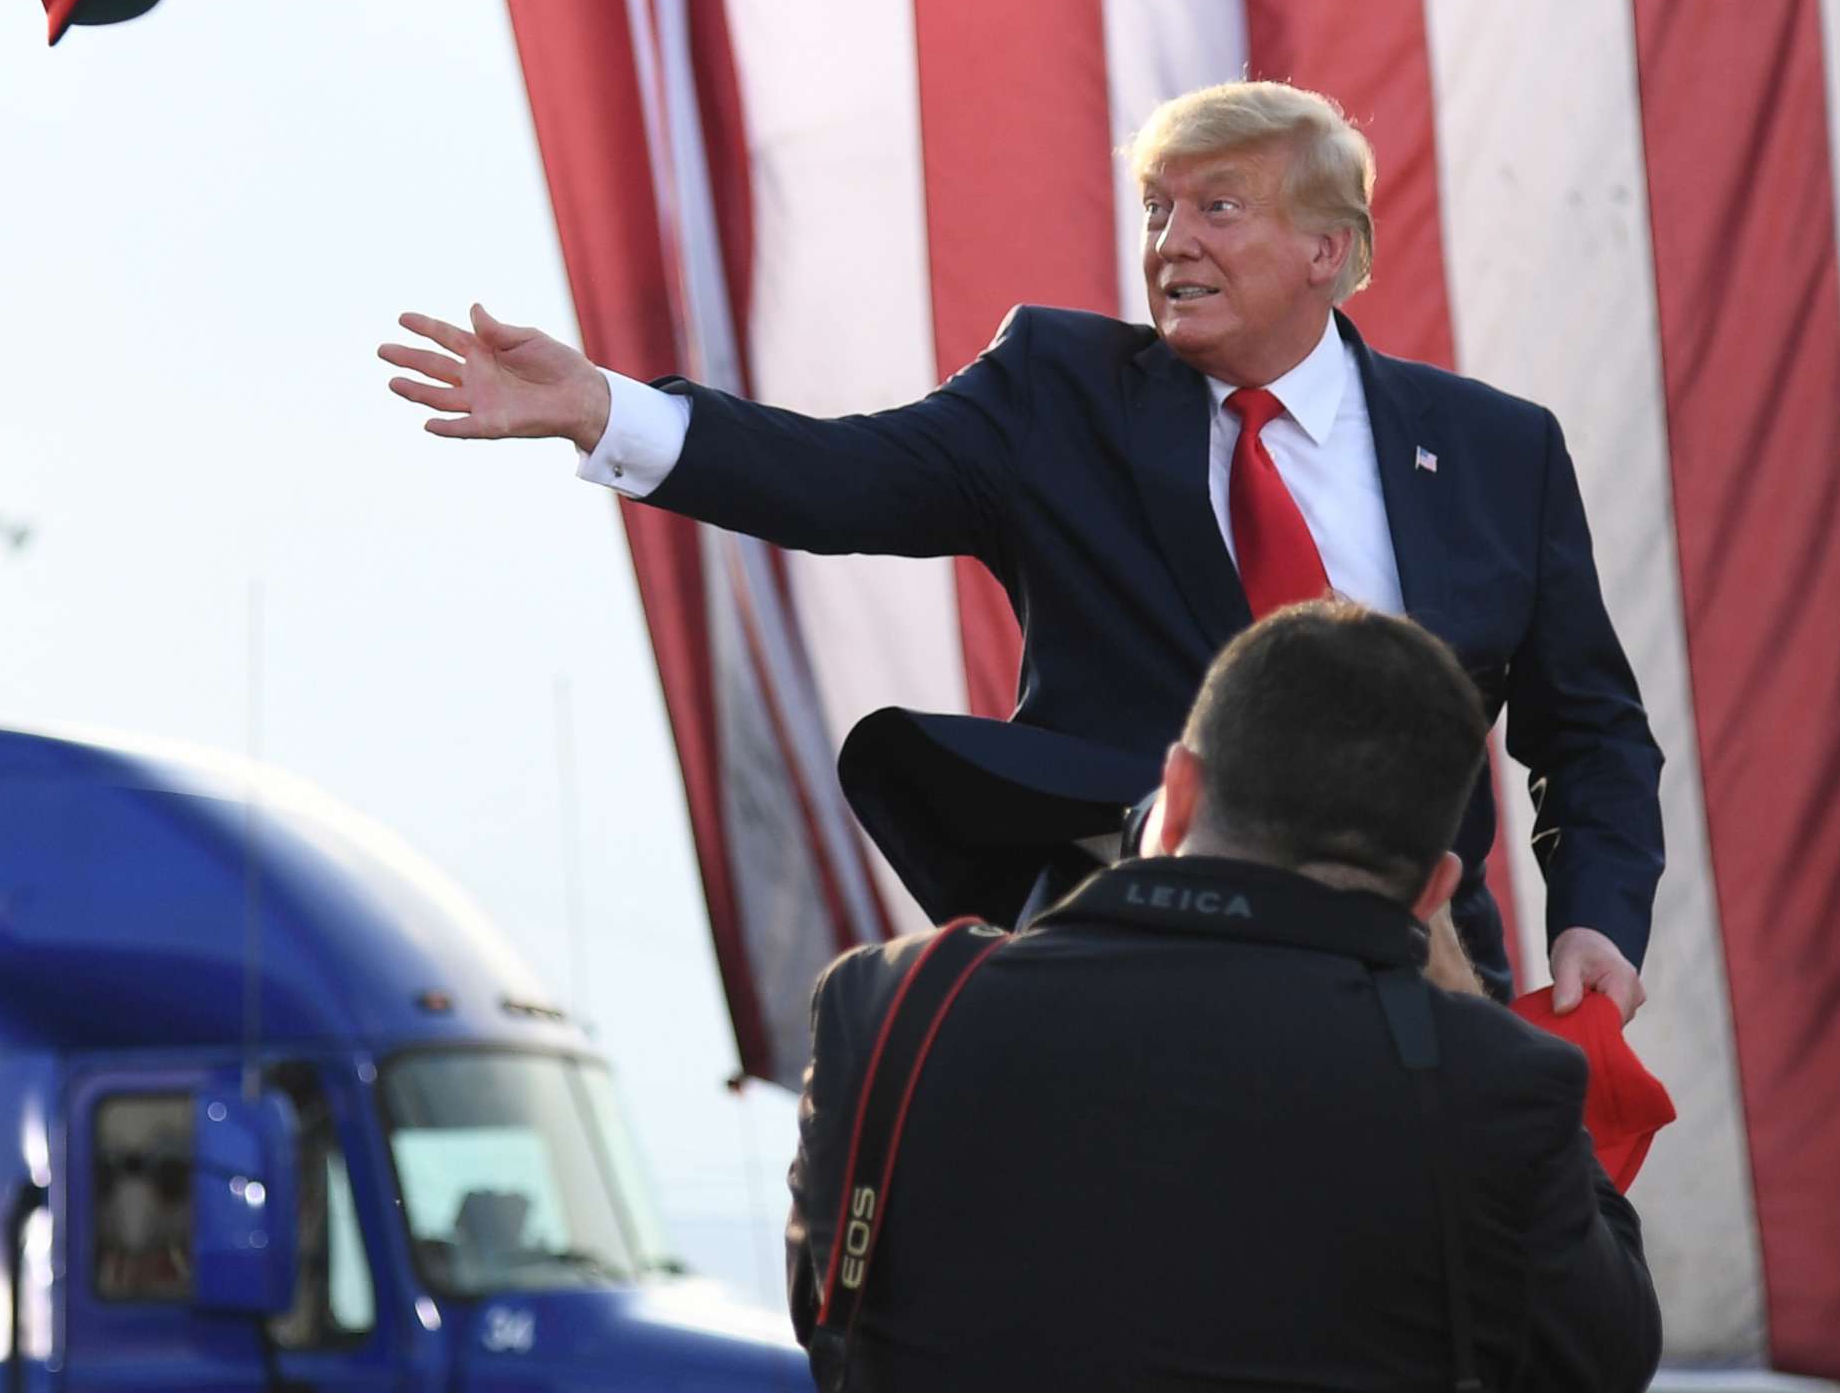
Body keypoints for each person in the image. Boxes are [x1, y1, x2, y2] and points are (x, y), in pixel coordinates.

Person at [380, 78, 1663, 1014]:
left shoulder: (1498, 450)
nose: (1173, 245)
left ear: (1331, 251)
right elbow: (843, 482)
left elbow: (1590, 727)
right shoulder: (1060, 389)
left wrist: (1599, 919)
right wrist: (610, 411)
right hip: (1142, 968)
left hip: (1417, 978)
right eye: (1159, 212)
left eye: (1220, 208)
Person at [785, 601, 1662, 1393]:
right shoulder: (1487, 1084)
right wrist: (1461, 1005)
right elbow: (1599, 1362)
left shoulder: (888, 1011)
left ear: (1180, 792)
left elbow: (822, 1305)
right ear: (1435, 888)